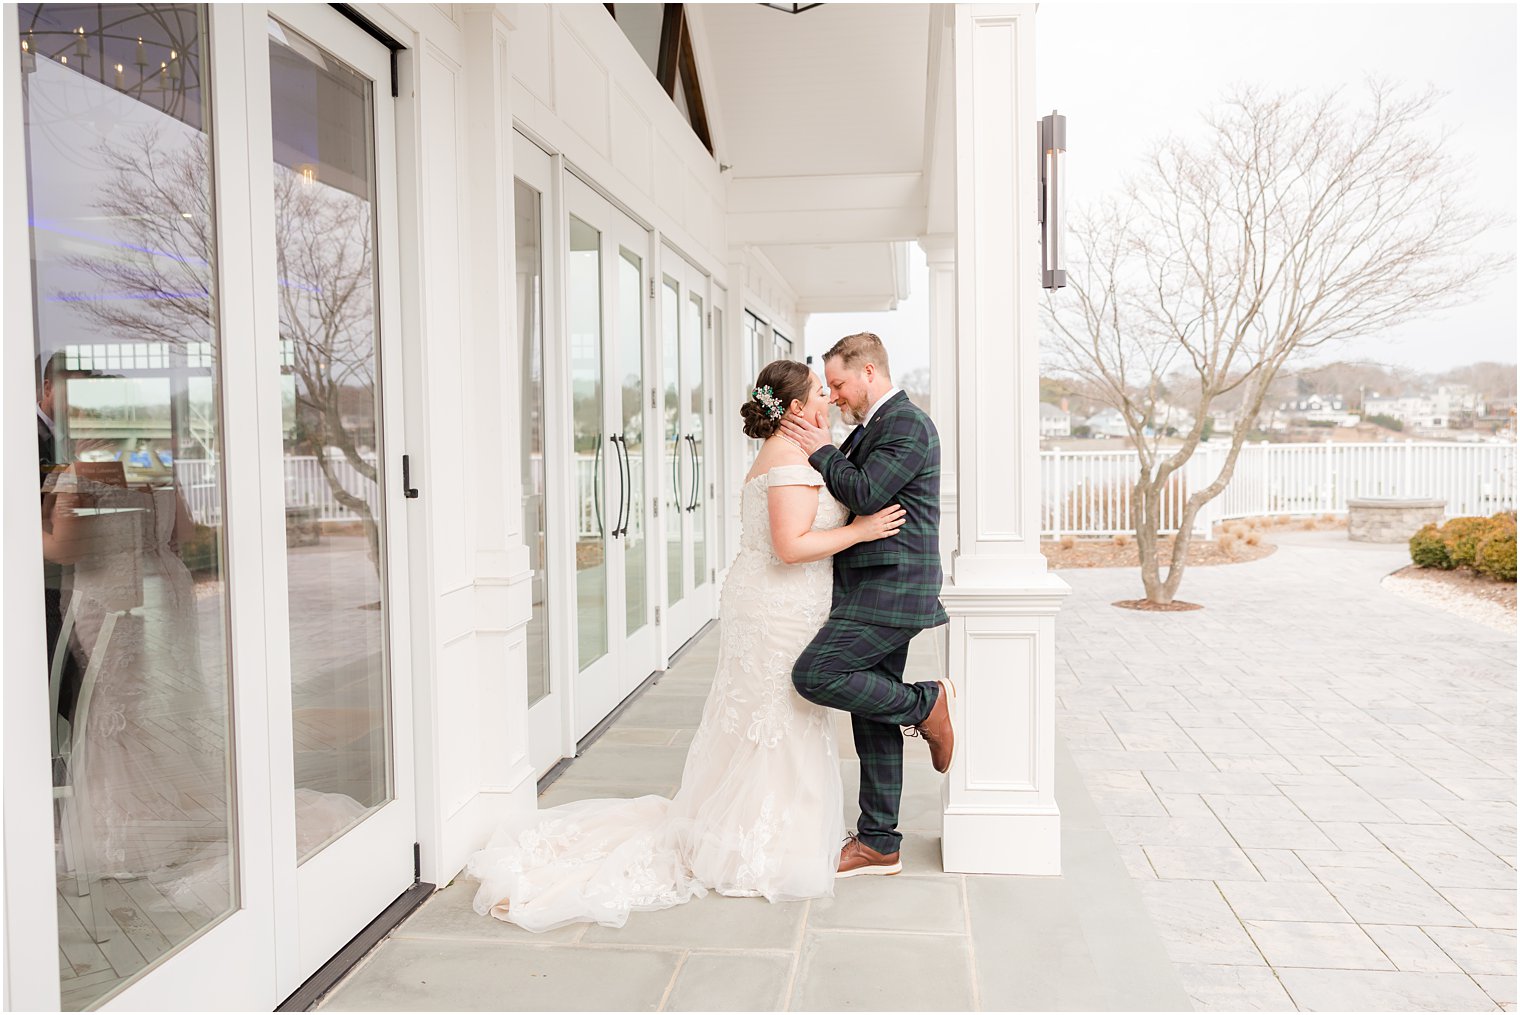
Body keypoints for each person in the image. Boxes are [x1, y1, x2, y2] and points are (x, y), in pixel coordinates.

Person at [467, 359, 906, 932]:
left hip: (774, 602)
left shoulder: (791, 453)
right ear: (796, 408)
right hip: (779, 605)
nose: (828, 397)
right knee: (778, 716)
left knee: (764, 716)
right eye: (821, 391)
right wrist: (860, 530)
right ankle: (761, 843)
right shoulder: (791, 460)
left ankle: (757, 828)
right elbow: (790, 546)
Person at [778, 332, 954, 878]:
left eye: (839, 384)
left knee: (815, 673)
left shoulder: (906, 424)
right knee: (868, 710)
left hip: (892, 586)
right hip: (869, 584)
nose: (834, 395)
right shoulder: (869, 430)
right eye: (827, 387)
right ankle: (880, 842)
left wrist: (818, 449)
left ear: (870, 373)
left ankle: (925, 704)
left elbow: (866, 494)